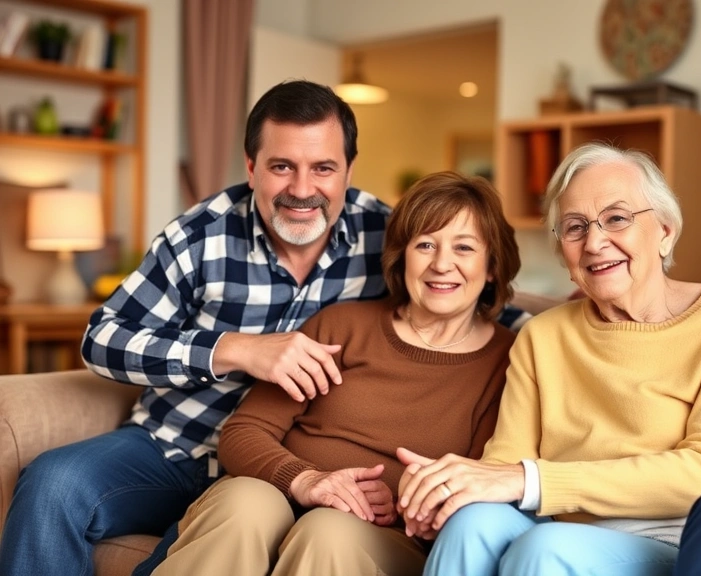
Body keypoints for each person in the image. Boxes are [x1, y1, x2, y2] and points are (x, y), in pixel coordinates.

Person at [0, 80, 525, 576]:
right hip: (177, 446)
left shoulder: (387, 233)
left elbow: (464, 296)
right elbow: (102, 339)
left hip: (276, 468)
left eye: (323, 167)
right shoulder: (201, 235)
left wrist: (578, 316)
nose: (302, 189)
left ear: (347, 169)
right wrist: (231, 350)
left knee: (259, 519)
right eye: (281, 166)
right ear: (251, 167)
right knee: (54, 483)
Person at [397, 142, 701, 576]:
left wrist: (528, 481)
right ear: (564, 253)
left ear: (665, 231)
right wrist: (444, 496)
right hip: (601, 542)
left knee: (550, 546)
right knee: (473, 524)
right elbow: (503, 474)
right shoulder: (543, 337)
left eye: (616, 218)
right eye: (575, 227)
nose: (594, 242)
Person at [150, 171, 520, 575]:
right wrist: (306, 479)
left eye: (463, 247)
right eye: (426, 245)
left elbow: (481, 482)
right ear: (403, 256)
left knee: (329, 530)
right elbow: (243, 432)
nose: (441, 264)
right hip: (280, 492)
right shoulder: (343, 326)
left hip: (383, 534)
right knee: (244, 504)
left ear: (491, 267)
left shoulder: (507, 360)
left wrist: (400, 501)